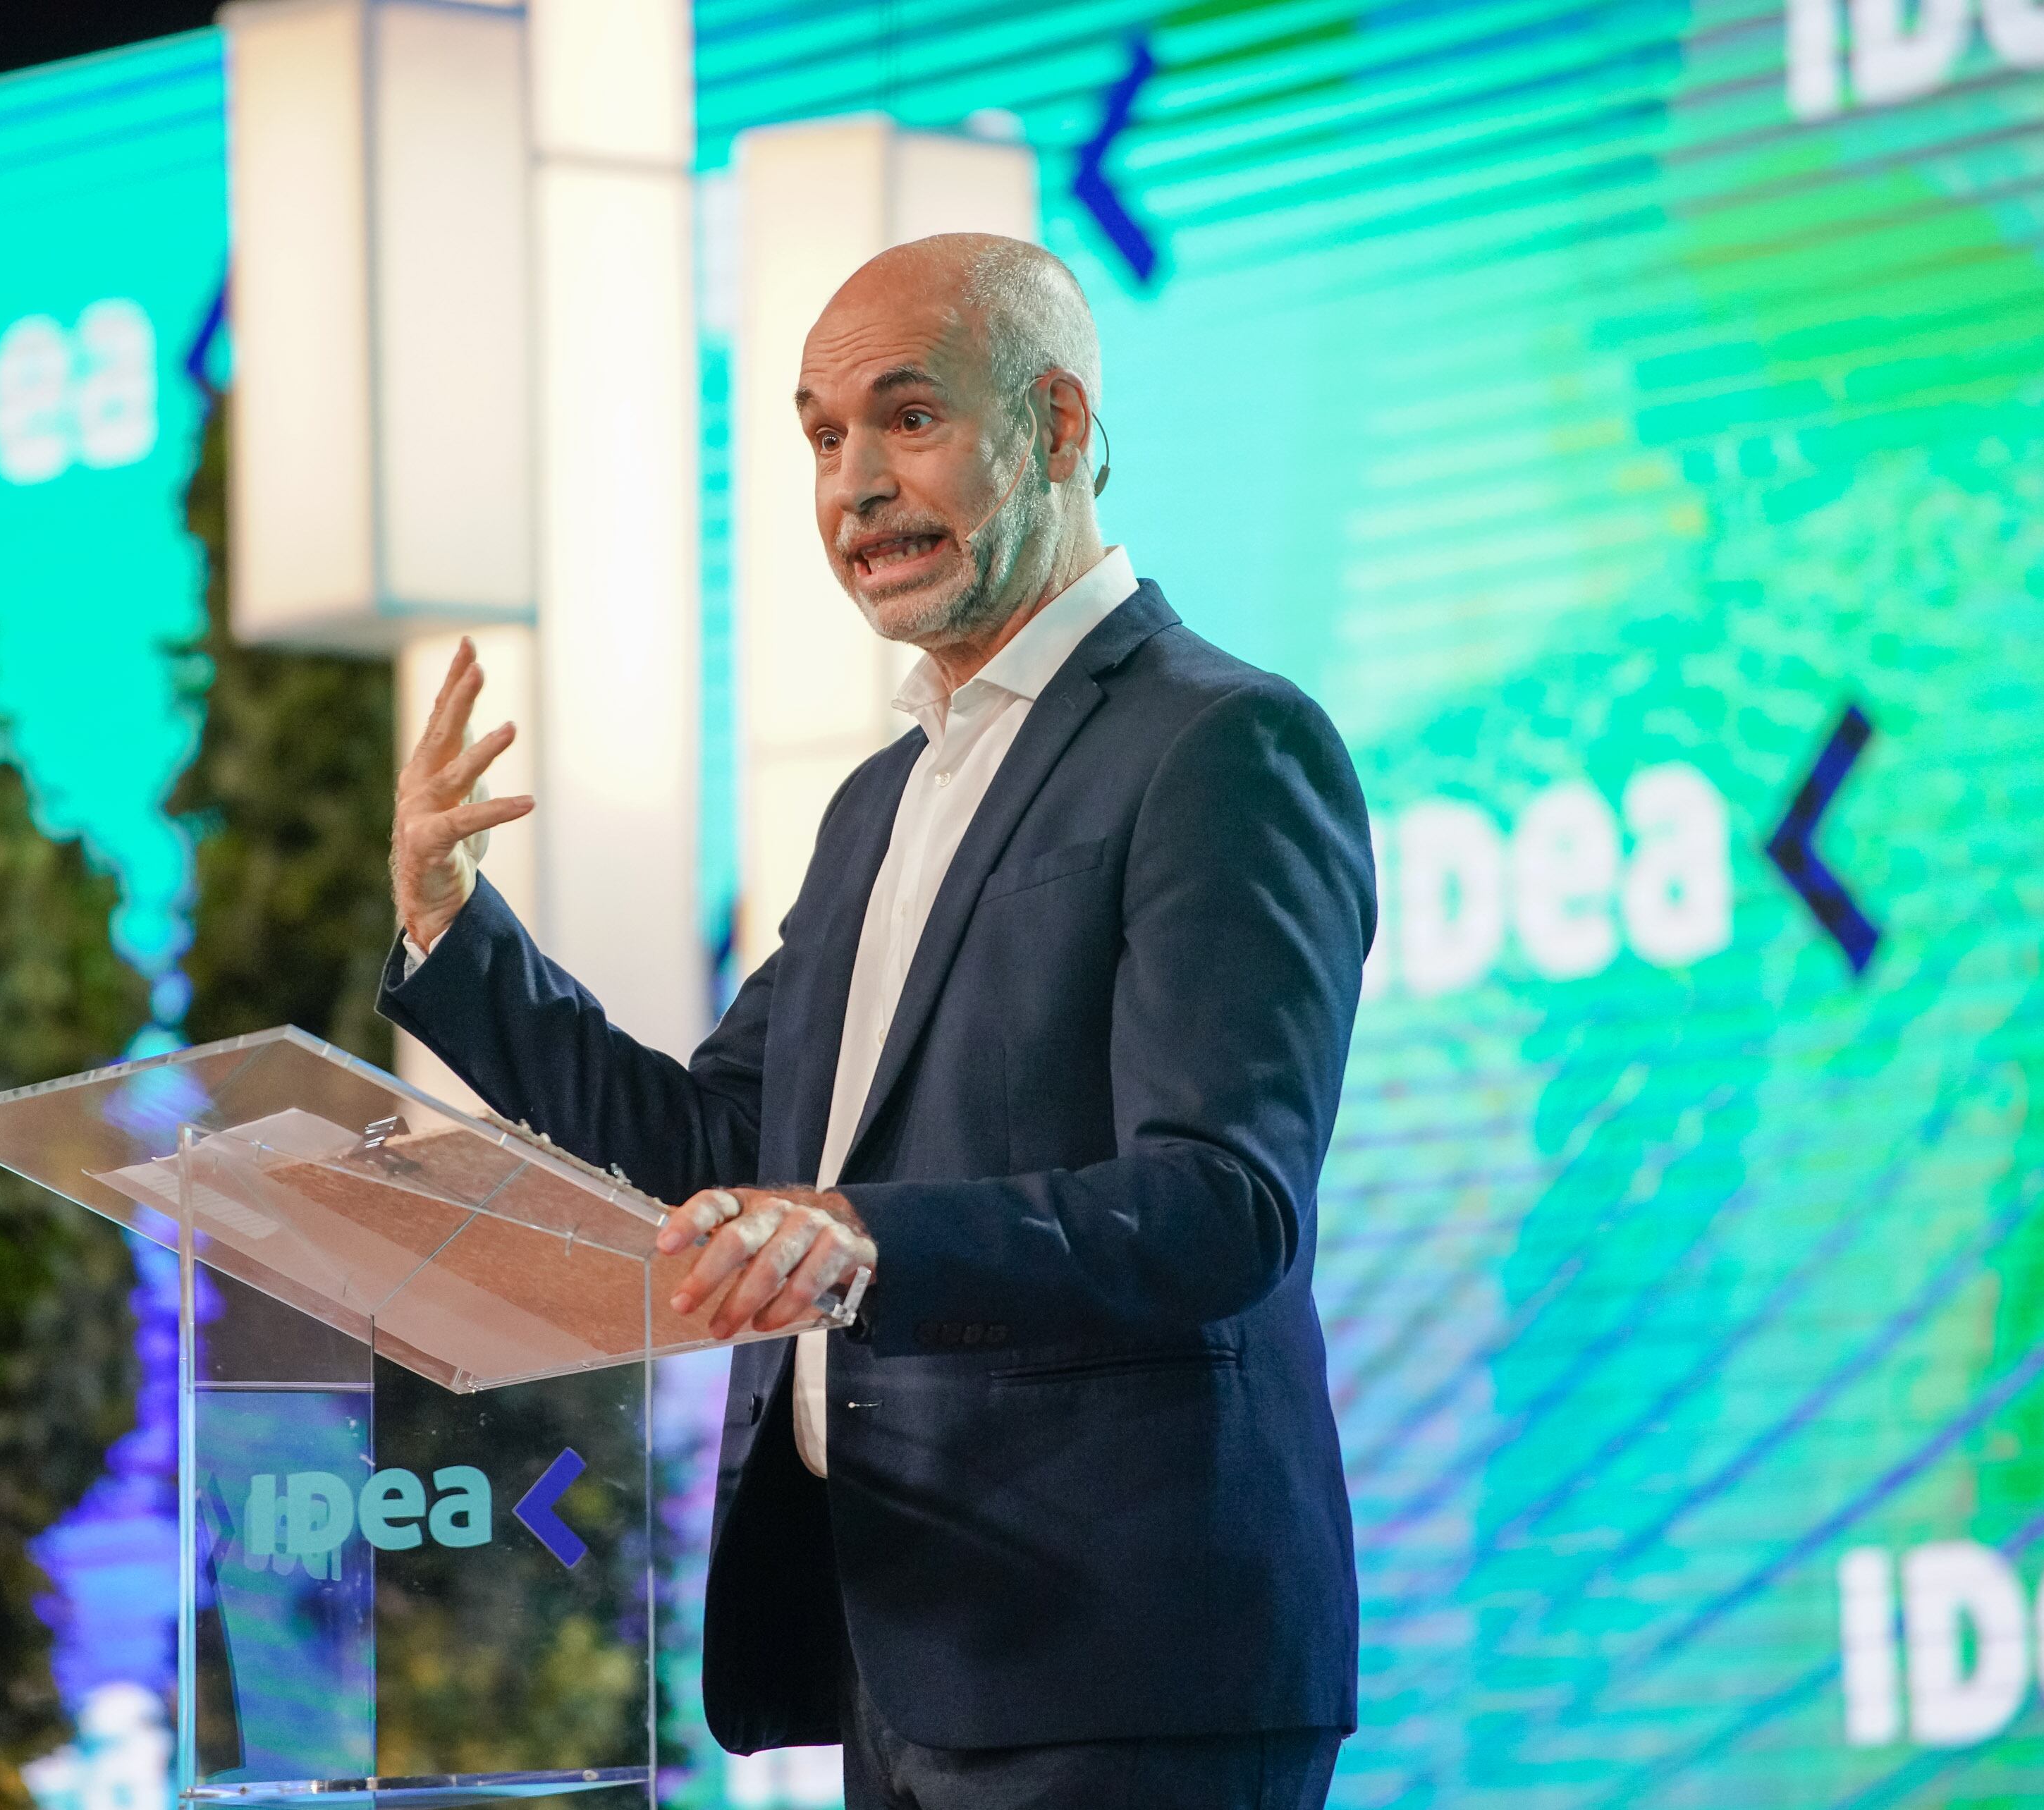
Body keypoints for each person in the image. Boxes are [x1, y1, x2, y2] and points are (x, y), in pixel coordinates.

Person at [381, 232, 1373, 1810]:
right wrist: (451, 931)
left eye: (906, 419)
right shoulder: (875, 805)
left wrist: (862, 1241)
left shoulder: (1219, 746)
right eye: (818, 435)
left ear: (1056, 429)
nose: (850, 486)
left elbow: (1218, 1203)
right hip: (900, 1650)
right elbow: (721, 1145)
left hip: (1124, 1668)